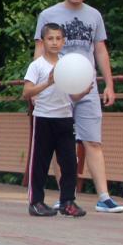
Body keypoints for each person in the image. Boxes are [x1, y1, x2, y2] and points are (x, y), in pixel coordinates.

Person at [33, 0, 123, 212]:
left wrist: (109, 84)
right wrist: (39, 86)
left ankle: (104, 196)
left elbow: (100, 50)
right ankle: (66, 195)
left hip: (88, 85)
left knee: (93, 140)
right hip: (58, 87)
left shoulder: (94, 15)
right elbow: (39, 51)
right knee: (61, 143)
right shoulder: (48, 14)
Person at [23, 24, 86, 218]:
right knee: (40, 162)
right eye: (50, 39)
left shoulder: (68, 64)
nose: (55, 42)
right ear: (42, 42)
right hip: (43, 118)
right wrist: (48, 82)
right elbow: (26, 92)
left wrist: (83, 90)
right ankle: (36, 202)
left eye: (58, 38)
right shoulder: (37, 65)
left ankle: (67, 202)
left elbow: (72, 96)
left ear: (64, 41)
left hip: (65, 118)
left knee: (69, 162)